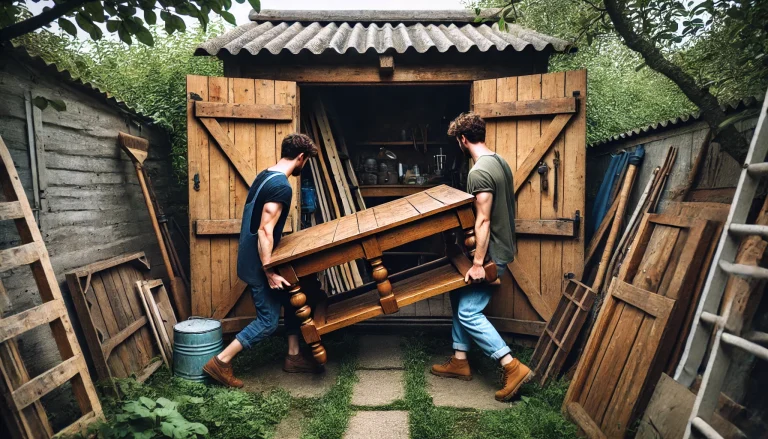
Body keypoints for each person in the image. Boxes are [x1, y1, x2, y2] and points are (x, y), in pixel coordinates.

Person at [431, 112, 533, 401]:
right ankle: (460, 360)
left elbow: (484, 220)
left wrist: (477, 263)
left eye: (458, 141)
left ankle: (511, 365)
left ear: (463, 139)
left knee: (468, 311)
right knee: (458, 294)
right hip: (500, 248)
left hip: (491, 255)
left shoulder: (478, 172)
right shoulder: (499, 162)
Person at [204, 133, 319, 388]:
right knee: (267, 322)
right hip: (258, 263)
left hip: (255, 257)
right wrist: (269, 271)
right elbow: (265, 230)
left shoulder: (265, 175)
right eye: (306, 161)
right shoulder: (281, 186)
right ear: (301, 157)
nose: (304, 165)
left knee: (293, 296)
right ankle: (220, 362)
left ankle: (293, 356)